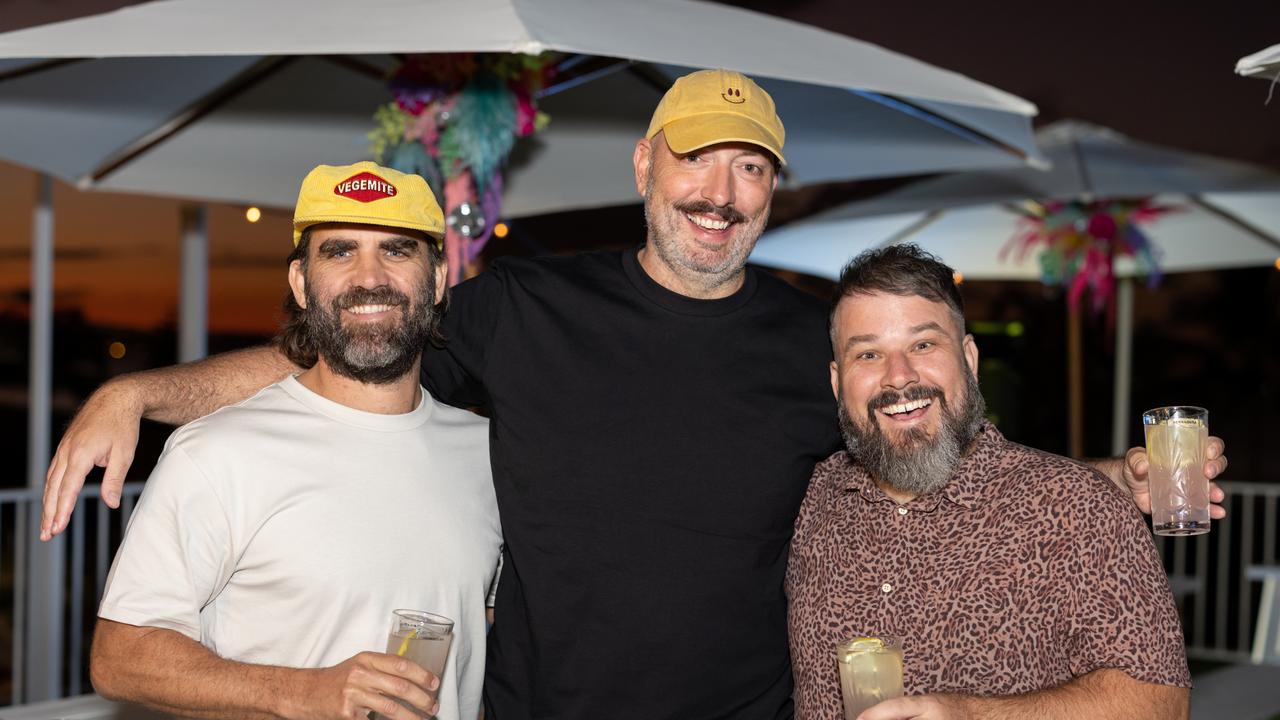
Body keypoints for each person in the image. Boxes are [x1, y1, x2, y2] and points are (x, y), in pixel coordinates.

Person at [45, 70, 1226, 720]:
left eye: (750, 167)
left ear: (770, 194)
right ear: (643, 167)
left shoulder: (807, 337)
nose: (719, 190)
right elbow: (352, 363)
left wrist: (1108, 482)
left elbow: (925, 432)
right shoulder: (519, 307)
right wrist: (146, 392)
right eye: (696, 159)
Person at [88, 162, 502, 720]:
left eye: (397, 250)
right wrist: (303, 692)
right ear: (302, 284)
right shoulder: (215, 453)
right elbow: (120, 658)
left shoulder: (490, 452)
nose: (370, 276)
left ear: (435, 282)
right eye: (339, 252)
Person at [786, 244, 1191, 720]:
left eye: (923, 344)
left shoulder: (1078, 509)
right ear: (838, 383)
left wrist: (974, 715)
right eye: (869, 354)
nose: (898, 377)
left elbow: (1160, 703)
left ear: (970, 359)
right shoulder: (811, 497)